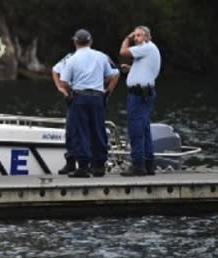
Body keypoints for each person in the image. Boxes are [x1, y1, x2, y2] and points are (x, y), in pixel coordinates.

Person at [58, 29, 119, 177]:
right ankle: (99, 165)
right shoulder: (101, 56)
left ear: (75, 42)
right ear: (90, 41)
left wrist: (70, 92)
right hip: (97, 97)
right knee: (98, 130)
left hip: (80, 97)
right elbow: (114, 74)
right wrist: (107, 91)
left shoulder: (72, 59)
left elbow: (64, 81)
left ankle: (83, 167)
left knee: (81, 131)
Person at [118, 25, 161, 176]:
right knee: (144, 129)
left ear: (148, 37)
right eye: (135, 36)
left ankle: (138, 166)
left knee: (135, 129)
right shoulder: (149, 51)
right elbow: (146, 69)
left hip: (138, 95)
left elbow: (123, 52)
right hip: (144, 93)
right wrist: (131, 69)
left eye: (139, 35)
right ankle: (149, 165)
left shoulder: (146, 47)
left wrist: (127, 38)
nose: (136, 38)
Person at [51, 52, 75, 174]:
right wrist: (61, 88)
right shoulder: (70, 56)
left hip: (89, 95)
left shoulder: (96, 56)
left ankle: (89, 163)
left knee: (87, 130)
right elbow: (55, 70)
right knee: (70, 130)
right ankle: (71, 162)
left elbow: (113, 73)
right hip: (73, 95)